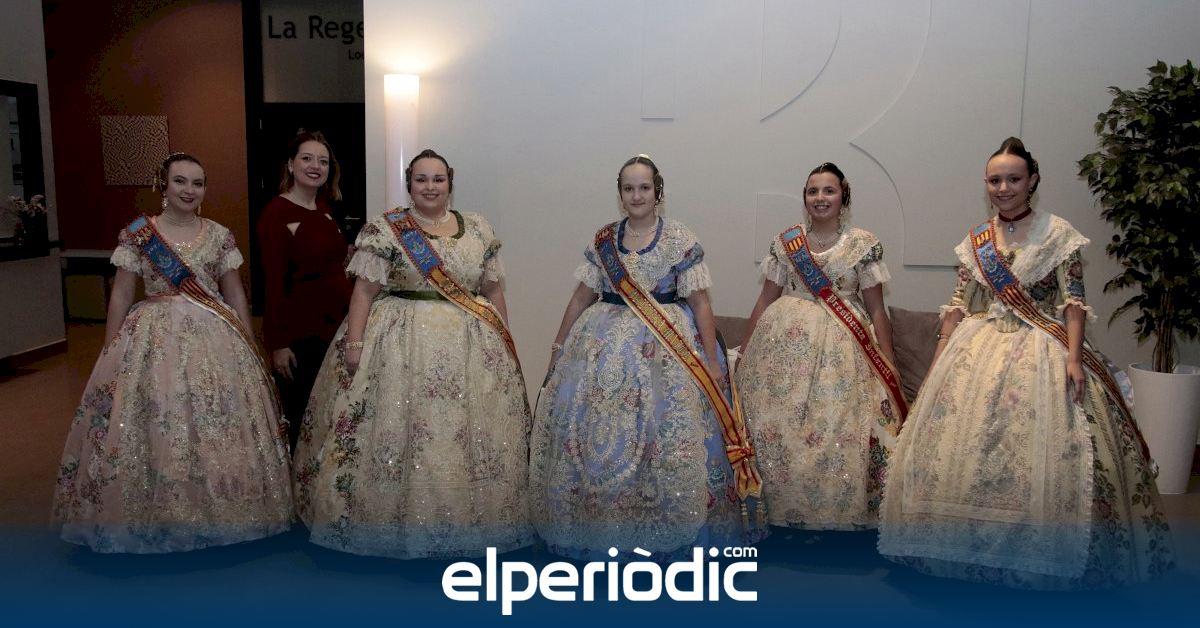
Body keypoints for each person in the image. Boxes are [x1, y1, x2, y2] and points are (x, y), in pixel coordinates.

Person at [878, 137, 1174, 588]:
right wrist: (938, 361)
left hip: (1043, 349)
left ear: (1032, 180)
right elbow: (958, 306)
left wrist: (1074, 359)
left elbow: (1073, 303)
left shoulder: (1058, 234)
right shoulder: (977, 240)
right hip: (977, 348)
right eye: (994, 180)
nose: (1003, 188)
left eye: (1013, 179)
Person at [292, 149, 533, 558]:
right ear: (409, 184)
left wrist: (504, 341)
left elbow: (492, 291)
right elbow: (364, 292)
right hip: (399, 348)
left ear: (450, 181)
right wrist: (355, 343)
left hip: (470, 347)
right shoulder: (386, 229)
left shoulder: (477, 228)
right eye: (421, 179)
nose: (430, 187)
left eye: (438, 179)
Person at [52, 153, 292, 553]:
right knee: (159, 417)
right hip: (154, 338)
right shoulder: (138, 235)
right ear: (163, 185)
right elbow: (122, 294)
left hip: (215, 338)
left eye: (198, 183)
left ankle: (222, 512)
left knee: (216, 421)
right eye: (180, 181)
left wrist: (249, 341)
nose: (189, 190)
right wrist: (111, 349)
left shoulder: (219, 235)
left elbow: (234, 293)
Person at [530, 154, 765, 561]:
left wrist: (712, 362)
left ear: (658, 192)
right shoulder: (604, 240)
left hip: (666, 351)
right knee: (597, 436)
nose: (636, 195)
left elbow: (701, 304)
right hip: (601, 349)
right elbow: (581, 297)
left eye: (643, 188)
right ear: (619, 194)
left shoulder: (679, 239)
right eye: (628, 188)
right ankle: (601, 527)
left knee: (661, 433)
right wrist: (559, 345)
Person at [735, 162, 905, 532]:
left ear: (844, 196)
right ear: (804, 198)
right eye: (812, 191)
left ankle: (830, 519)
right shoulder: (786, 243)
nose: (820, 198)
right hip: (782, 347)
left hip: (845, 351)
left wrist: (888, 363)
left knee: (836, 429)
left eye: (829, 190)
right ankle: (779, 516)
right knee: (776, 428)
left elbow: (877, 310)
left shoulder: (863, 245)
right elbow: (765, 300)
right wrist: (743, 353)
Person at [257, 130, 353, 450]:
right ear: (290, 164)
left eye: (322, 161)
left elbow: (330, 263)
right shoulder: (276, 213)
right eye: (307, 159)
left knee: (330, 412)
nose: (315, 166)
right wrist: (278, 344)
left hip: (334, 328)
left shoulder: (325, 208)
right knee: (302, 417)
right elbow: (274, 282)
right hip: (300, 336)